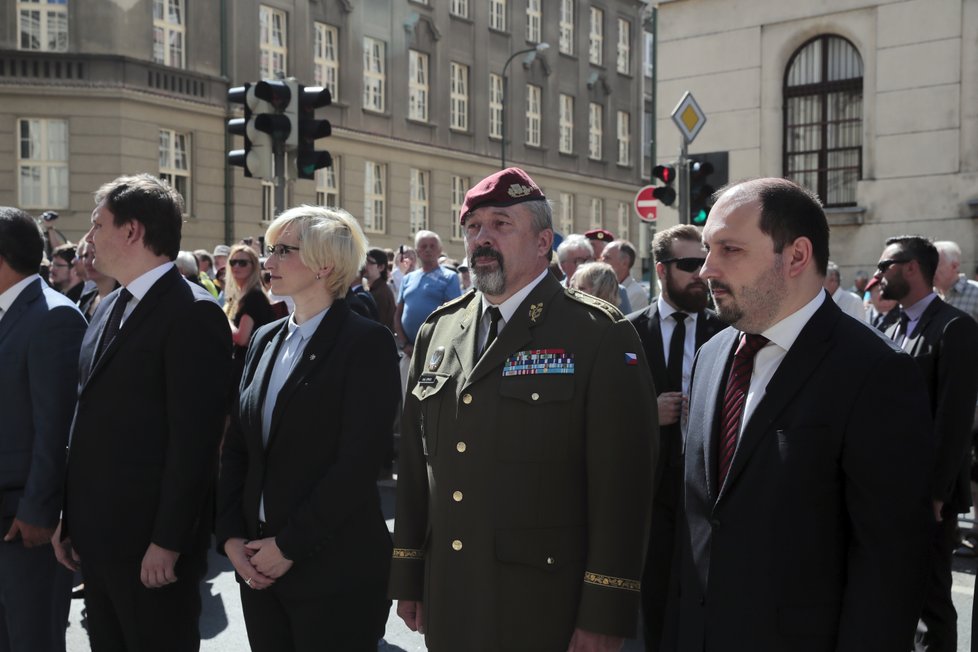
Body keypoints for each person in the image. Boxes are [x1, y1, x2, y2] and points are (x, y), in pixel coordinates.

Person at [389, 167, 657, 651]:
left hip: (543, 604)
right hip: (450, 594)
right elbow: (415, 462)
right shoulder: (439, 330)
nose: (481, 239)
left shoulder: (596, 333)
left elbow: (624, 486)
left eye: (500, 224)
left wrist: (605, 610)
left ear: (542, 242)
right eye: (473, 227)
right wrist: (409, 572)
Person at [666, 178, 933, 651]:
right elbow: (699, 524)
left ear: (795, 256)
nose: (707, 270)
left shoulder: (875, 373)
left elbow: (888, 568)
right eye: (708, 249)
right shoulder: (711, 355)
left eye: (729, 249)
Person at [52, 174, 232, 652]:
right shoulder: (107, 306)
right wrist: (70, 519)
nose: (88, 240)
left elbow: (194, 442)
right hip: (98, 539)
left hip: (151, 550)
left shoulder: (192, 313)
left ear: (131, 231)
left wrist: (168, 541)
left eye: (97, 225)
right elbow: (86, 420)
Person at [216, 205, 399, 652]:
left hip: (333, 570)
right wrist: (233, 537)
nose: (268, 262)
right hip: (259, 566)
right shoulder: (265, 338)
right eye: (267, 249)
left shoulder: (365, 342)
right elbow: (239, 443)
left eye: (282, 250)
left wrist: (289, 546)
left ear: (325, 265)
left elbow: (356, 464)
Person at [875, 235, 978, 652]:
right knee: (896, 593)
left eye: (886, 266)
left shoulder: (955, 327)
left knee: (931, 602)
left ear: (913, 267)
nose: (879, 274)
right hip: (890, 488)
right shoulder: (892, 323)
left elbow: (953, 420)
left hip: (927, 495)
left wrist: (936, 493)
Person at [627, 224, 725, 652]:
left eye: (702, 263)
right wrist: (649, 414)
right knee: (655, 594)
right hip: (650, 488)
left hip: (709, 488)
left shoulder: (727, 333)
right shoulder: (628, 332)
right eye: (689, 265)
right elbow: (603, 412)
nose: (700, 274)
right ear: (662, 270)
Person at [0, 207, 86, 652]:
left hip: (24, 523)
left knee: (31, 639)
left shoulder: (54, 316)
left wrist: (39, 510)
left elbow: (58, 427)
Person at [394, 231, 461, 394]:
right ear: (417, 251)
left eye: (432, 246)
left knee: (431, 400)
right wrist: (404, 344)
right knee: (406, 399)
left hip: (436, 355)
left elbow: (456, 313)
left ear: (440, 250)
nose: (428, 250)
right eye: (423, 246)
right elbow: (398, 315)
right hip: (409, 352)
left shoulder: (449, 277)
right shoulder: (408, 279)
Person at [224, 244, 275, 393]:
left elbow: (241, 338)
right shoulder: (239, 295)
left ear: (253, 266)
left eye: (243, 262)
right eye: (233, 262)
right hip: (243, 365)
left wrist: (224, 320)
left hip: (249, 367)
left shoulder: (254, 296)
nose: (236, 266)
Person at [933, 240, 978, 323]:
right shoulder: (928, 296)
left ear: (954, 266)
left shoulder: (975, 293)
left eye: (935, 265)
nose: (930, 271)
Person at [602, 240, 650, 310]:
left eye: (607, 258)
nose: (602, 261)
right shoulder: (603, 288)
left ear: (624, 262)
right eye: (602, 257)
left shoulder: (636, 293)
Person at [364, 247, 396, 331]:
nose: (364, 266)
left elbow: (376, 326)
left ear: (381, 267)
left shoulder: (381, 293)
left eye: (369, 262)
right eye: (364, 261)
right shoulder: (373, 288)